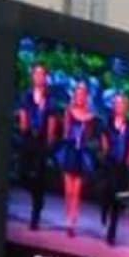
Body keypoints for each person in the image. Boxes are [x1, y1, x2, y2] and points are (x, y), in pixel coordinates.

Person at [50, 80, 101, 234]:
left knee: (77, 190)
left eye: (82, 94)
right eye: (78, 93)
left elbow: (90, 135)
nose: (80, 96)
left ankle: (73, 221)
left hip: (81, 152)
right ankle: (68, 216)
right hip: (70, 150)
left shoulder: (90, 116)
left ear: (86, 96)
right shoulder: (69, 111)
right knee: (68, 189)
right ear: (75, 95)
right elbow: (66, 132)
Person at [13, 61, 56, 229]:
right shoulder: (27, 95)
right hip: (28, 138)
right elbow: (23, 113)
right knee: (22, 174)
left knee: (39, 177)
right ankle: (37, 197)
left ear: (46, 77)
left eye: (41, 74)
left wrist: (49, 142)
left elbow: (52, 120)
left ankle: (35, 215)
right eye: (36, 73)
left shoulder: (49, 98)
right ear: (32, 76)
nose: (38, 77)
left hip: (42, 141)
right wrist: (24, 125)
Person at [97, 90, 129, 247]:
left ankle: (112, 232)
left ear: (126, 107)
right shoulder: (107, 123)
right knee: (106, 192)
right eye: (117, 104)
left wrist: (128, 163)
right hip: (109, 163)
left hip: (122, 166)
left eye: (122, 104)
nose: (119, 106)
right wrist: (105, 154)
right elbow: (103, 140)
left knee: (118, 198)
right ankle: (104, 209)